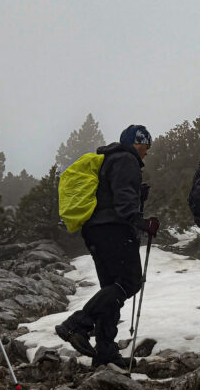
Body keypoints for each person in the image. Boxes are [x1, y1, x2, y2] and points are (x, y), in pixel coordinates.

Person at [56, 125, 158, 368]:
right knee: (130, 282)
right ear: (138, 142)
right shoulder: (126, 159)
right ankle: (78, 323)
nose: (147, 153)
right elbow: (123, 202)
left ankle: (105, 353)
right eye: (146, 147)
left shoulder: (110, 161)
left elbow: (113, 194)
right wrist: (142, 221)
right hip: (114, 230)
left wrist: (137, 197)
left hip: (95, 231)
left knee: (111, 290)